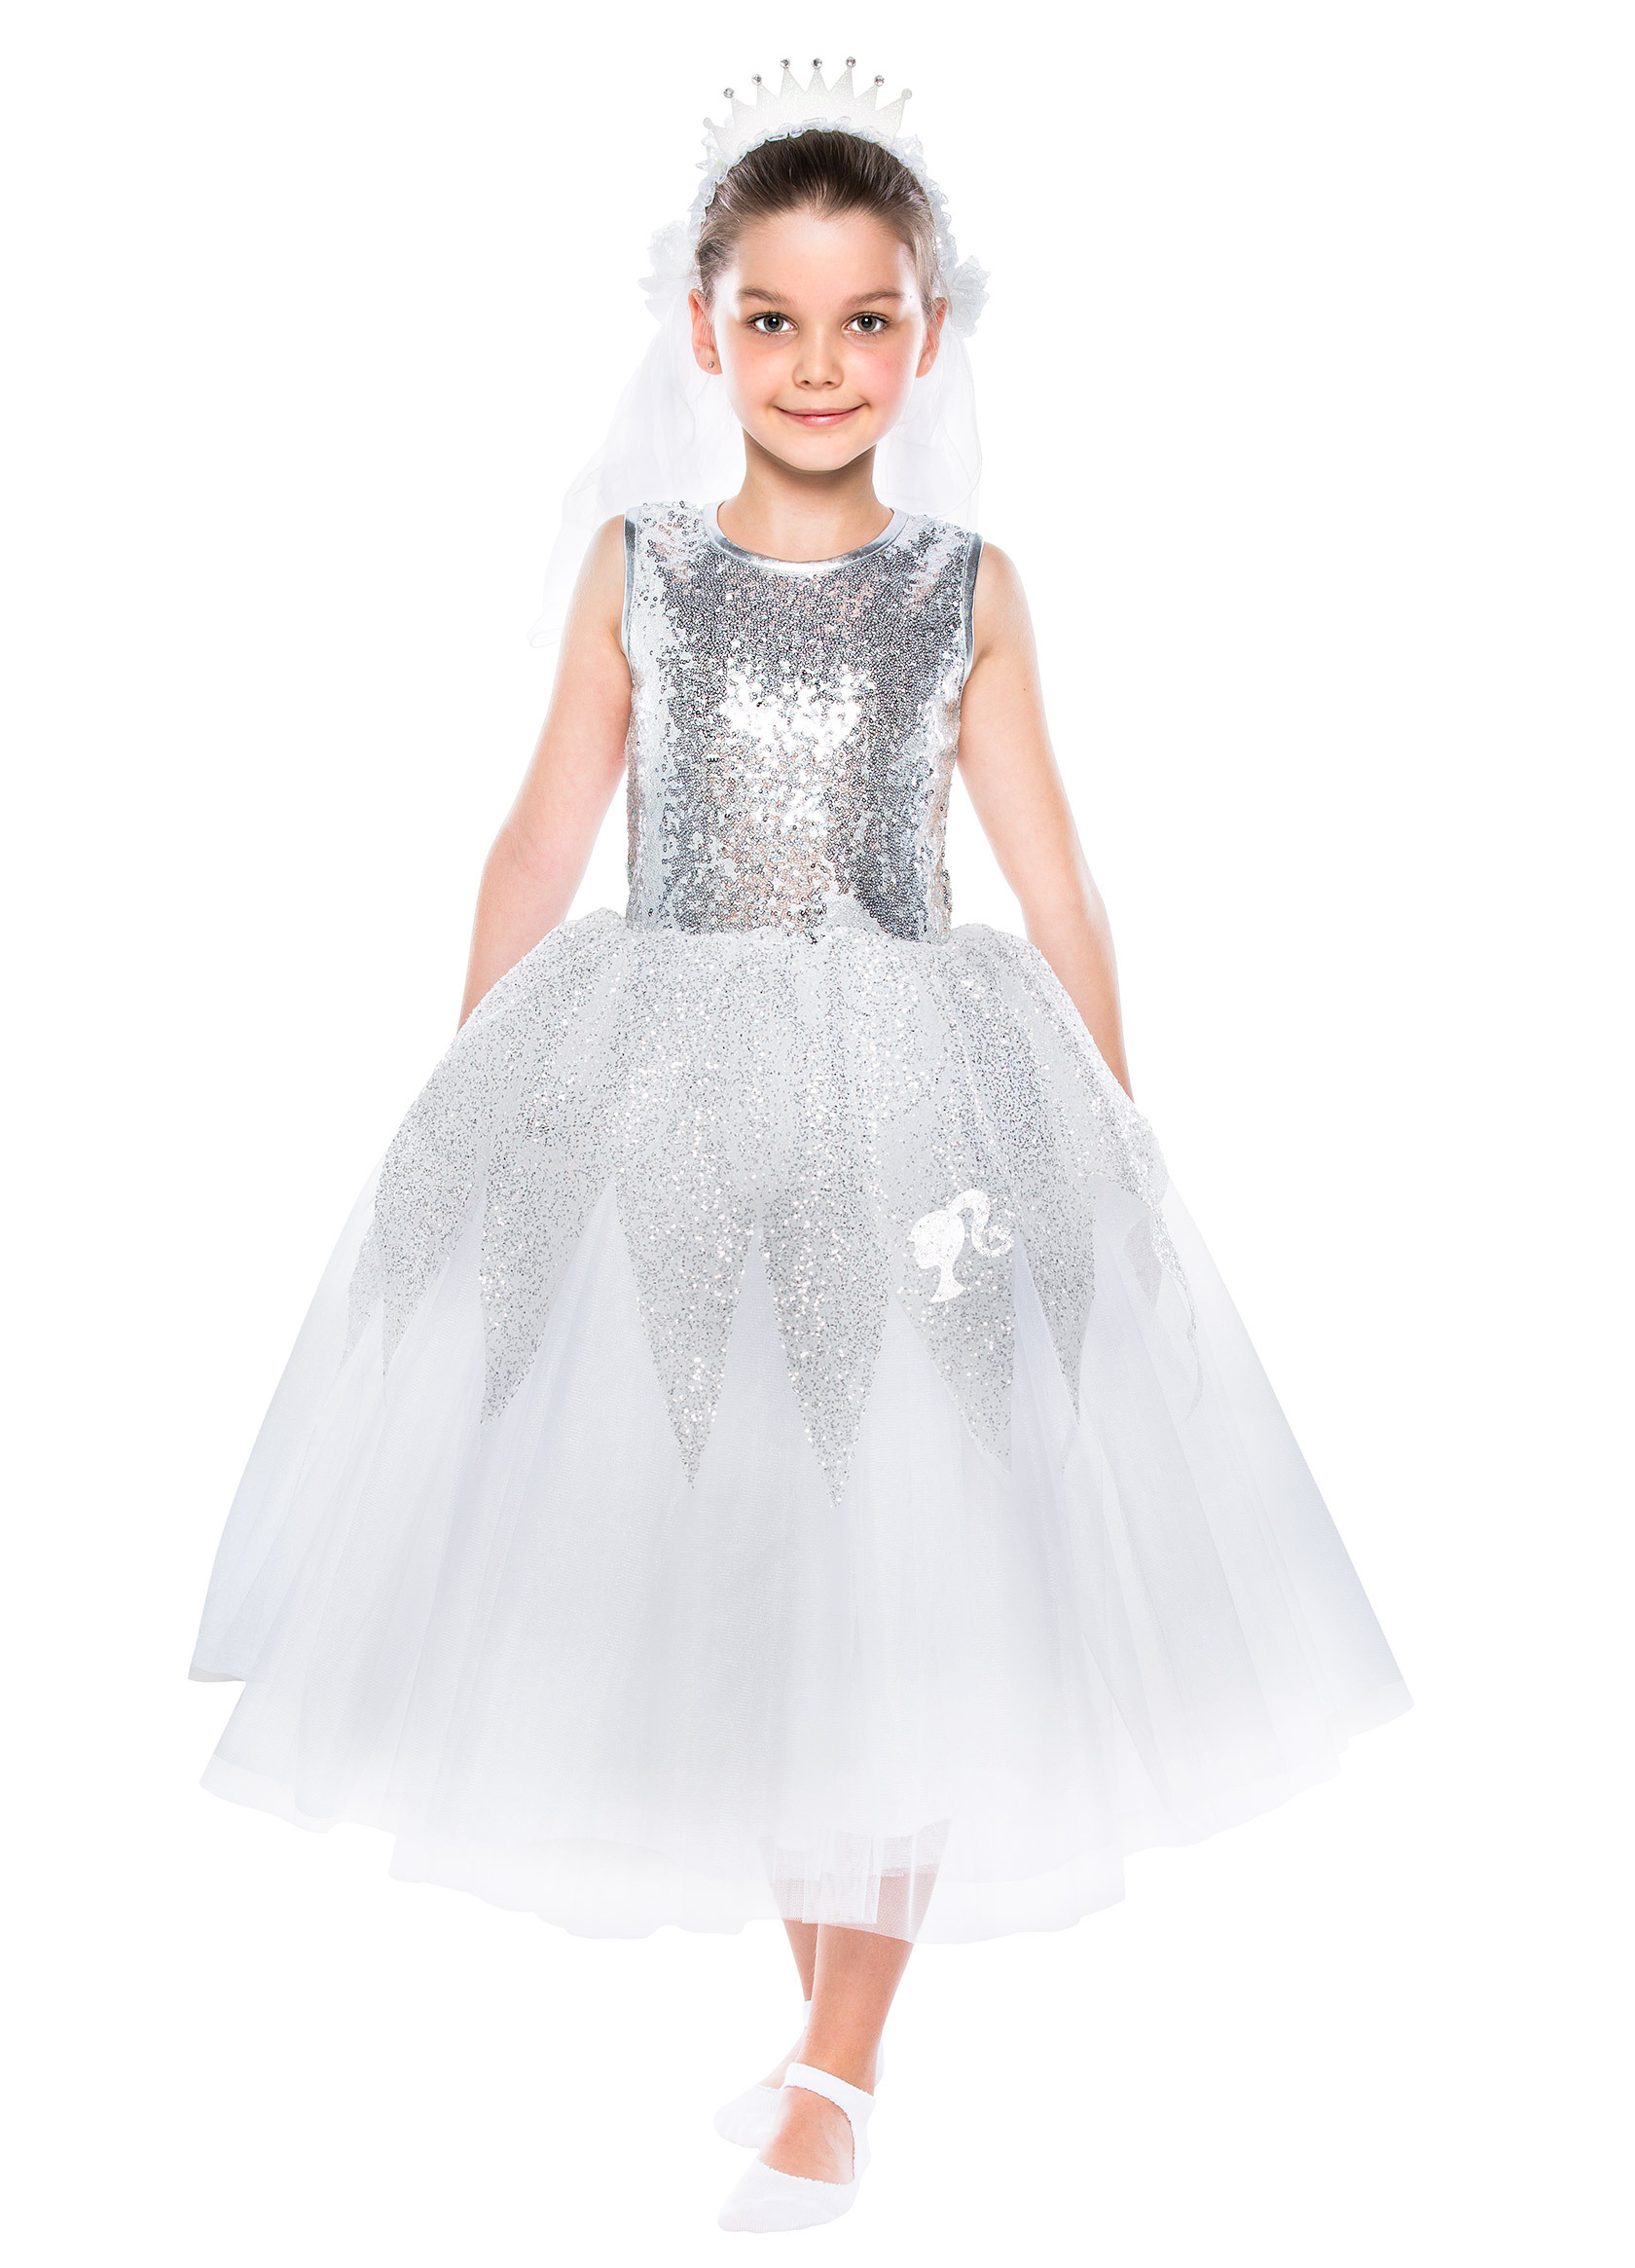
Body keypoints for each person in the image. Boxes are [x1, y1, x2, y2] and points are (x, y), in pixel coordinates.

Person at [192, 65, 1410, 2234]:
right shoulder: (640, 570)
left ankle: (841, 2063)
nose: (820, 364)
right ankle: (823, 2038)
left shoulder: (967, 589)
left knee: (914, 1572)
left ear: (928, 336)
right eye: (776, 319)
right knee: (764, 1576)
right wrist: (477, 1117)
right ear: (704, 328)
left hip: (914, 1119)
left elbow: (1057, 880)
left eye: (866, 321)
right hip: (667, 1100)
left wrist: (1108, 1155)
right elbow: (540, 839)